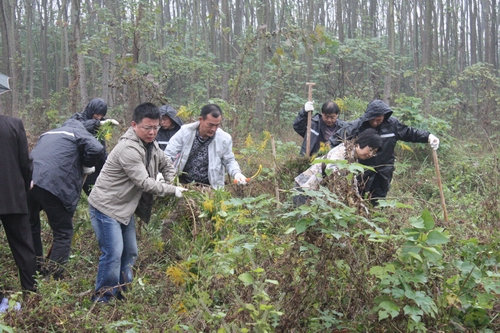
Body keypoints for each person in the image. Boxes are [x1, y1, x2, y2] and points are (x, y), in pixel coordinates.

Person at [88, 102, 186, 303]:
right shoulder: (128, 148)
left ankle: (123, 292)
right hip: (106, 207)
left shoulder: (152, 144)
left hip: (124, 208)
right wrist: (172, 190)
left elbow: (167, 164)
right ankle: (103, 298)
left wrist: (168, 179)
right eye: (147, 128)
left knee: (130, 250)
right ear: (134, 125)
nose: (152, 132)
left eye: (156, 127)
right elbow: (144, 183)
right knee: (113, 252)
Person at [28, 119, 105, 278]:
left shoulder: (49, 132)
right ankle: (53, 277)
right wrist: (87, 163)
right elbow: (97, 148)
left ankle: (34, 270)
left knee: (31, 226)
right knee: (63, 231)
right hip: (53, 184)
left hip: (29, 180)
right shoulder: (78, 131)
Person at [329, 99, 440, 205]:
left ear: (384, 117)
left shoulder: (392, 125)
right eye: (372, 119)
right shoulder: (357, 126)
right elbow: (335, 140)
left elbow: (409, 133)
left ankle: (375, 220)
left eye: (378, 120)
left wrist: (428, 137)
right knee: (356, 198)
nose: (375, 123)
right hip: (361, 170)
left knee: (378, 201)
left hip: (383, 170)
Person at [165, 104, 247, 188]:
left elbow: (229, 161)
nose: (213, 129)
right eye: (210, 125)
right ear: (201, 119)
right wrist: (162, 173)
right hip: (183, 184)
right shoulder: (184, 132)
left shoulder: (224, 139)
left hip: (210, 187)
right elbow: (169, 154)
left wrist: (237, 173)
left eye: (217, 125)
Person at [293, 129, 382, 207]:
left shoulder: (353, 160)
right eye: (370, 150)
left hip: (316, 192)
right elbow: (332, 170)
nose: (370, 154)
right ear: (361, 143)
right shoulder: (343, 150)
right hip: (305, 187)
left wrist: (357, 199)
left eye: (374, 153)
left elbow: (352, 181)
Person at [0, 115, 37, 296]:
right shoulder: (13, 125)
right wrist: (25, 184)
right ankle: (30, 295)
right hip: (13, 196)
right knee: (23, 248)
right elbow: (25, 161)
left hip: (14, 195)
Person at [71, 98, 120, 195]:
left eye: (101, 115)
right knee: (91, 193)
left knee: (101, 193)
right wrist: (98, 123)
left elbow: (101, 148)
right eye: (97, 114)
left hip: (95, 163)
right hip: (81, 165)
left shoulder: (101, 125)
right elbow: (78, 127)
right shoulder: (78, 118)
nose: (98, 117)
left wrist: (109, 164)